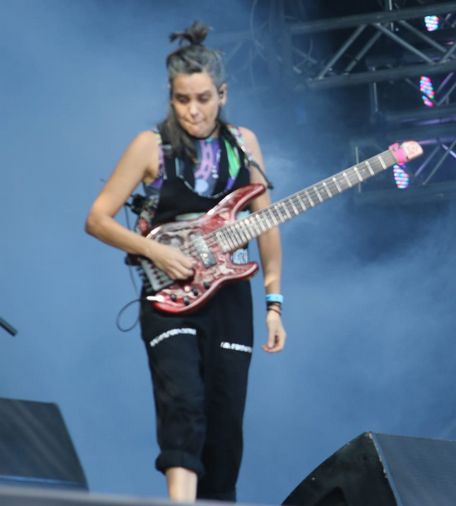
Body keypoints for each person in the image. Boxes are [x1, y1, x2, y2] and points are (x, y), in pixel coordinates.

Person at [85, 21, 286, 502]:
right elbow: (97, 218)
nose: (193, 110)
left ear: (223, 94)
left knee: (225, 423)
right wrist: (155, 250)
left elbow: (267, 224)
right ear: (170, 97)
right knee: (183, 406)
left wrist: (274, 302)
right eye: (182, 100)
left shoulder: (244, 144)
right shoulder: (150, 146)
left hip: (230, 297)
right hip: (168, 297)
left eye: (203, 99)